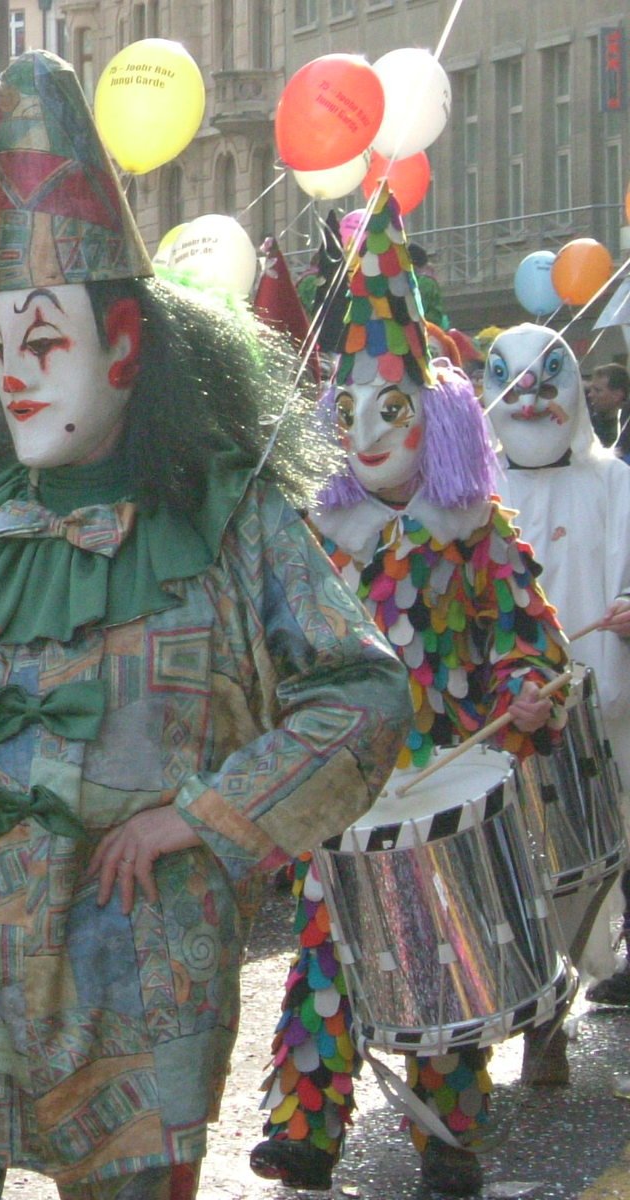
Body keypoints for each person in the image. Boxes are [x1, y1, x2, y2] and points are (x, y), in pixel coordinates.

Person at [0, 50, 411, 1200]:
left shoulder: (232, 519)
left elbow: (360, 697)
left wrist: (205, 817)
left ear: (125, 347)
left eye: (45, 340)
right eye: (1, 344)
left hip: (133, 960)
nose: (15, 376)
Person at [250, 190, 569, 1196]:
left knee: (444, 958)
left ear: (428, 416)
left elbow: (533, 642)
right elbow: (276, 652)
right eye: (347, 411)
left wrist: (525, 696)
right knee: (325, 954)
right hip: (344, 785)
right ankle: (307, 1128)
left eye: (387, 411)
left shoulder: (473, 528)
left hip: (445, 774)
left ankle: (446, 1136)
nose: (365, 430)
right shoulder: (313, 537)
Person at [486, 330, 630, 1016]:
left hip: (611, 702)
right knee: (528, 856)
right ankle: (548, 1006)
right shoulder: (476, 496)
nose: (534, 403)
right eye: (515, 388)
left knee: (618, 835)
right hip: (514, 713)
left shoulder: (614, 483)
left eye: (548, 383)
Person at [588, 361, 630, 457]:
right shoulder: (589, 423)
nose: (590, 395)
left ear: (617, 396)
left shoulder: (626, 429)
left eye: (597, 391)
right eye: (591, 389)